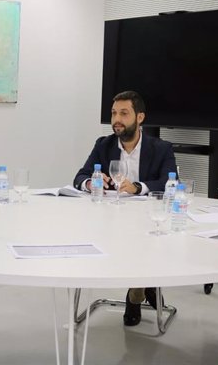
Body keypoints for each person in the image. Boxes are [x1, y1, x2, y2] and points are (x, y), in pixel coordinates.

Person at [73, 90, 177, 326]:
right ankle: (144, 285)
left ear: (140, 117)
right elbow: (80, 176)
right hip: (110, 216)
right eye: (113, 113)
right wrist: (92, 182)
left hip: (146, 217)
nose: (116, 120)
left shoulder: (161, 148)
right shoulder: (104, 144)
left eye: (123, 113)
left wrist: (138, 187)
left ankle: (135, 294)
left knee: (142, 241)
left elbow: (170, 181)